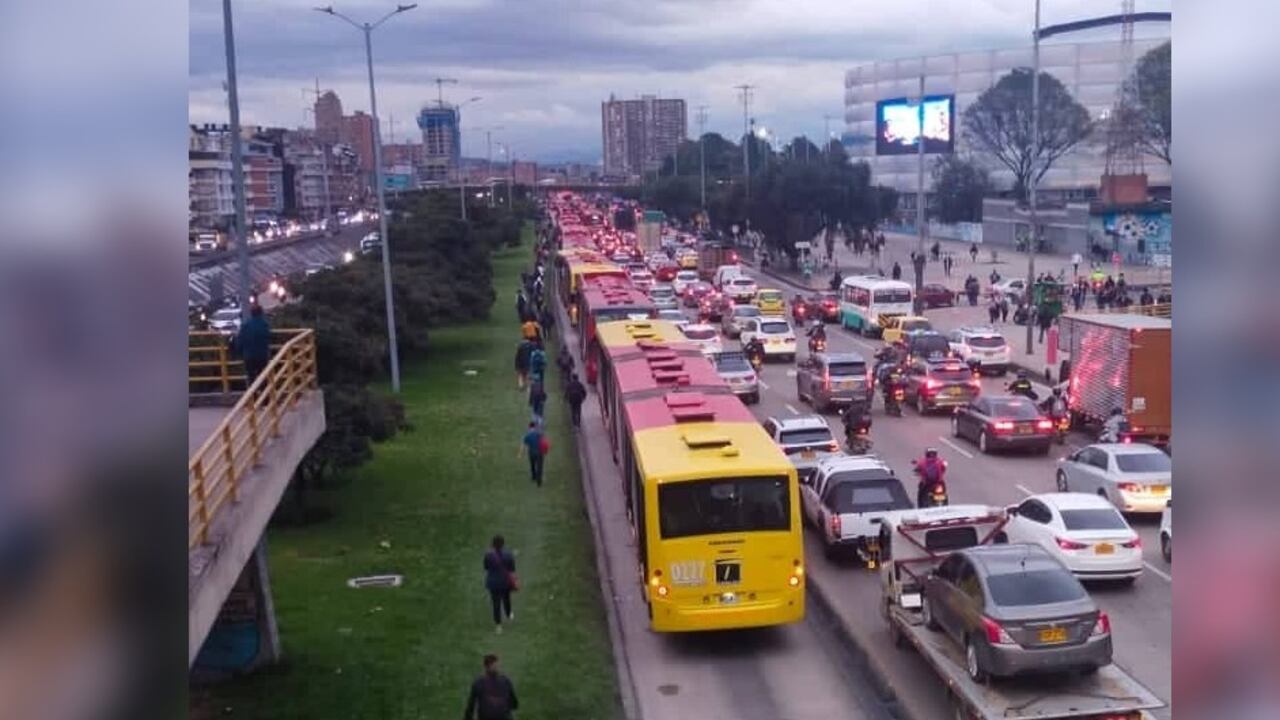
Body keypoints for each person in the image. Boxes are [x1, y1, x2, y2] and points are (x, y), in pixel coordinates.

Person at [463, 654, 519, 720]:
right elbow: (514, 704)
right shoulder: (506, 681)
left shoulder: (478, 682)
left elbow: (470, 707)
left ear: (485, 667)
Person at [483, 537, 517, 632]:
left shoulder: (488, 555)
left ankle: (498, 625)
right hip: (505, 582)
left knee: (496, 603)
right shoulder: (508, 555)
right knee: (506, 598)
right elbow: (512, 569)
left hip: (493, 582)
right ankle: (508, 613)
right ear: (503, 544)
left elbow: (486, 567)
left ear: (493, 544)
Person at [235, 305, 272, 384]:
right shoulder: (264, 325)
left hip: (249, 356)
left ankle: (253, 391)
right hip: (262, 355)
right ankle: (263, 390)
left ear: (251, 313)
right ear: (261, 313)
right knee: (263, 376)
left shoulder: (246, 325)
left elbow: (240, 340)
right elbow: (268, 337)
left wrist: (239, 352)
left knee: (251, 377)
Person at [519, 422, 547, 487]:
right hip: (539, 452)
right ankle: (539, 481)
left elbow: (523, 445)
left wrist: (520, 454)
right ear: (535, 427)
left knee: (532, 465)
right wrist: (545, 450)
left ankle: (534, 476)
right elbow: (544, 442)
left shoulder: (527, 436)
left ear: (529, 428)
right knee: (539, 466)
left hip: (531, 453)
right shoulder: (539, 434)